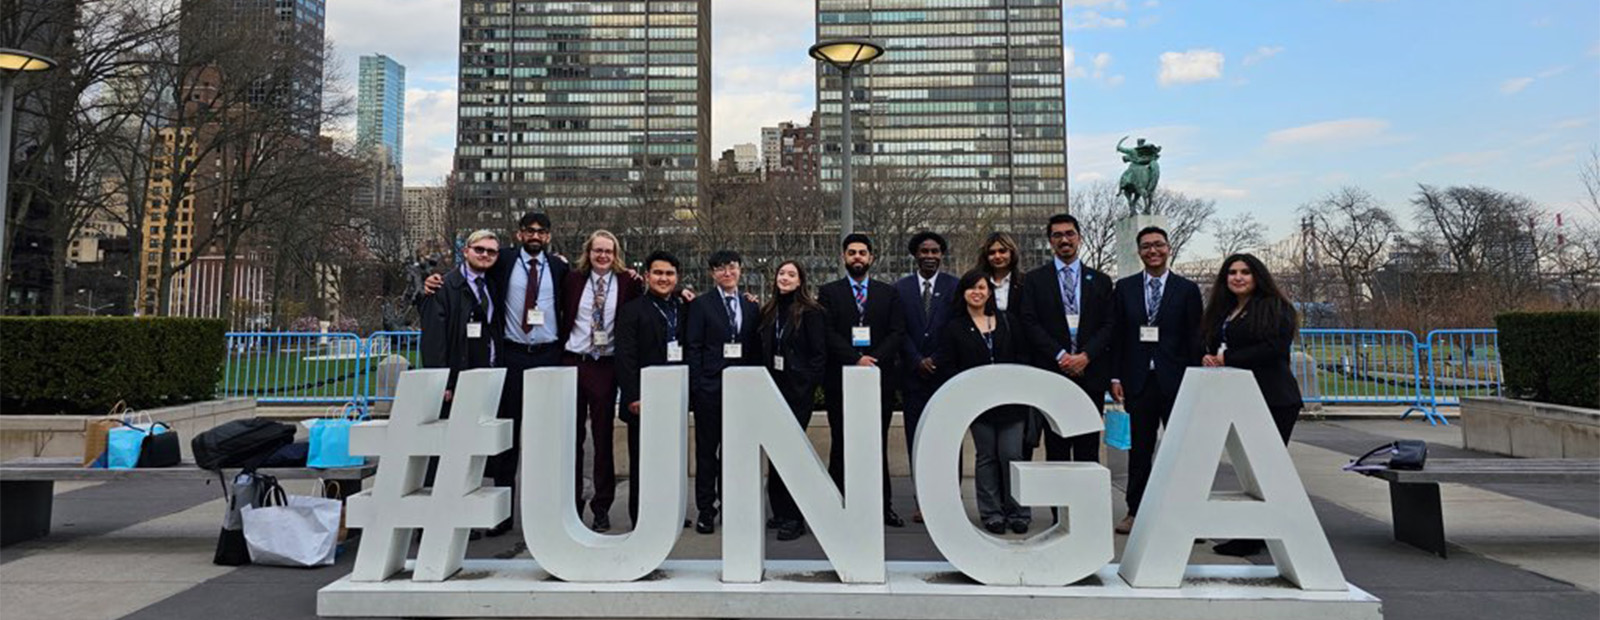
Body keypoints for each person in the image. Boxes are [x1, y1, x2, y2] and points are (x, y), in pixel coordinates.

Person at [1199, 253, 1302, 557]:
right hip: (1240, 399)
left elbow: (1274, 348)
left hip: (1274, 399)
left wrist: (1227, 359)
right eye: (1232, 272)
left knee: (1266, 470)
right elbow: (1215, 343)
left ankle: (1258, 535)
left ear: (1258, 276)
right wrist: (1209, 355)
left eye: (1245, 272)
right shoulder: (1225, 310)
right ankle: (1258, 531)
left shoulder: (1277, 308)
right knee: (1252, 471)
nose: (1238, 277)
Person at [1108, 226, 1202, 535]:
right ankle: (1135, 512)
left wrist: (1194, 379)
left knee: (1182, 450)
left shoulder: (1187, 289)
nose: (1153, 250)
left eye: (1158, 245)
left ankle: (1186, 513)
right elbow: (1118, 335)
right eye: (1146, 246)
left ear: (1169, 248)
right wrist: (1116, 375)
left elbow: (1194, 338)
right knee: (1140, 451)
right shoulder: (1124, 288)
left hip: (1175, 379)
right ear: (1139, 252)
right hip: (1138, 380)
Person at [817, 233, 907, 527]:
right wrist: (856, 359)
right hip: (840, 380)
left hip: (878, 381)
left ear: (871, 258)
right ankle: (837, 504)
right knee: (840, 442)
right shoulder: (829, 292)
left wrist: (873, 360)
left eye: (862, 253)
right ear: (843, 257)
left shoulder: (888, 292)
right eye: (852, 252)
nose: (857, 257)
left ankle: (883, 507)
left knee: (875, 444)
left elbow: (897, 332)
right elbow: (827, 333)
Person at [417, 229, 501, 539]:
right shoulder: (443, 287)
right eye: (479, 250)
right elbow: (434, 340)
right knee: (443, 452)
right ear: (465, 251)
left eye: (491, 252)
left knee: (469, 450)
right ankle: (432, 519)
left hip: (483, 380)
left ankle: (462, 515)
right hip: (456, 382)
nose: (485, 256)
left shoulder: (492, 284)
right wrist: (444, 381)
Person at [934, 271, 1031, 535]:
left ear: (989, 292)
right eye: (971, 288)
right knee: (986, 457)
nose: (977, 292)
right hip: (977, 406)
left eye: (981, 287)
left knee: (1012, 455)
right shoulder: (954, 327)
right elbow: (947, 365)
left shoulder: (1008, 321)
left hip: (1011, 403)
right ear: (963, 293)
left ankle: (1019, 512)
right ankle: (992, 514)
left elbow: (1023, 356)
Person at [558, 230, 640, 533]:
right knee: (572, 438)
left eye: (608, 251)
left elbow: (657, 296)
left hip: (605, 365)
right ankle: (571, 502)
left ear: (616, 253)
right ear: (588, 253)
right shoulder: (572, 280)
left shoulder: (629, 282)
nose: (603, 256)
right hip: (573, 361)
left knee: (603, 437)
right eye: (597, 251)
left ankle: (601, 506)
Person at [1020, 213, 1114, 465]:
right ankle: (1058, 506)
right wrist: (1061, 356)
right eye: (1057, 235)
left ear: (1080, 238)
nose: (1064, 239)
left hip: (1090, 373)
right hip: (1053, 373)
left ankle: (1088, 504)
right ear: (1050, 241)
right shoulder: (1034, 280)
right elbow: (1030, 322)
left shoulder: (1101, 281)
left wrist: (1085, 356)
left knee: (1088, 450)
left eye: (1070, 233)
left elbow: (1109, 325)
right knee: (1057, 449)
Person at [685, 250, 762, 534]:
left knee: (737, 452)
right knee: (707, 453)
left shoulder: (751, 305)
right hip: (710, 389)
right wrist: (698, 385)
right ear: (712, 273)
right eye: (720, 268)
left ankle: (734, 505)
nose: (727, 273)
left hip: (741, 390)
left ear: (740, 270)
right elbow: (693, 346)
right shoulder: (701, 305)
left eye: (732, 267)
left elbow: (754, 348)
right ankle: (706, 509)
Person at [613, 250, 690, 528]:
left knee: (671, 461)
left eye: (669, 273)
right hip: (643, 401)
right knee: (642, 462)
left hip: (674, 396)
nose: (663, 278)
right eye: (658, 273)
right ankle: (641, 517)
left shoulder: (683, 307)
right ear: (647, 276)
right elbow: (625, 357)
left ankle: (672, 514)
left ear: (677, 277)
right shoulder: (632, 310)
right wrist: (633, 396)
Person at [759, 260, 828, 541]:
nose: (785, 278)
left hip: (797, 393)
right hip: (771, 391)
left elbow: (819, 355)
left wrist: (805, 385)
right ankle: (780, 512)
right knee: (776, 454)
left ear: (800, 281)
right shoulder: (768, 311)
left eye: (791, 274)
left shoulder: (811, 312)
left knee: (792, 455)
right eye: (781, 273)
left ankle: (795, 518)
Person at [893, 231, 958, 524]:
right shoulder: (901, 289)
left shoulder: (955, 287)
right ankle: (923, 501)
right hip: (913, 377)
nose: (930, 256)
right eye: (924, 251)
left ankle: (950, 499)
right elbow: (899, 331)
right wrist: (916, 359)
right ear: (915, 255)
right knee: (917, 441)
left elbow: (957, 329)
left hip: (946, 376)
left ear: (941, 255)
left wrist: (938, 358)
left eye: (935, 251)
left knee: (949, 440)